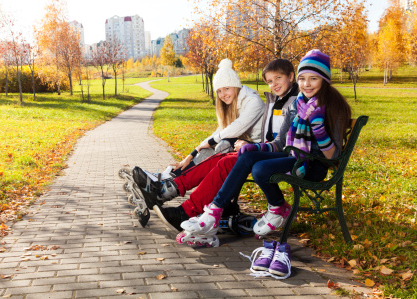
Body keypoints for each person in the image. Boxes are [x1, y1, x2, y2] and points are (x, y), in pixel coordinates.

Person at [182, 49, 352, 278]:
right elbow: (281, 142)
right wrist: (257, 147)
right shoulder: (298, 104)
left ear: (324, 79)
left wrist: (319, 129)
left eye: (313, 78)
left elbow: (333, 157)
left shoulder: (334, 107)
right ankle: (215, 212)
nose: (307, 84)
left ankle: (272, 208)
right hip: (294, 156)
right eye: (303, 78)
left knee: (260, 168)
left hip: (314, 165)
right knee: (248, 156)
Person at [133, 58, 299, 231]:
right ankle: (167, 189)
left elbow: (278, 141)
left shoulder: (288, 102)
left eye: (278, 78)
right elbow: (262, 136)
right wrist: (192, 153)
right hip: (260, 150)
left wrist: (254, 146)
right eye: (270, 81)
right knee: (219, 157)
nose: (274, 84)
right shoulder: (276, 100)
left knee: (225, 159)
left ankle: (185, 208)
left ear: (290, 76)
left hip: (273, 153)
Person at [130, 58, 264, 213]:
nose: (222, 94)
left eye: (226, 88)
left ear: (235, 86)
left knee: (219, 147)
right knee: (208, 150)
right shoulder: (232, 104)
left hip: (258, 149)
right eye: (219, 91)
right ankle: (166, 183)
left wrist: (209, 143)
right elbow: (220, 131)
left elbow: (236, 128)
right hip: (241, 147)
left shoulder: (253, 102)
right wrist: (191, 154)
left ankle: (166, 188)